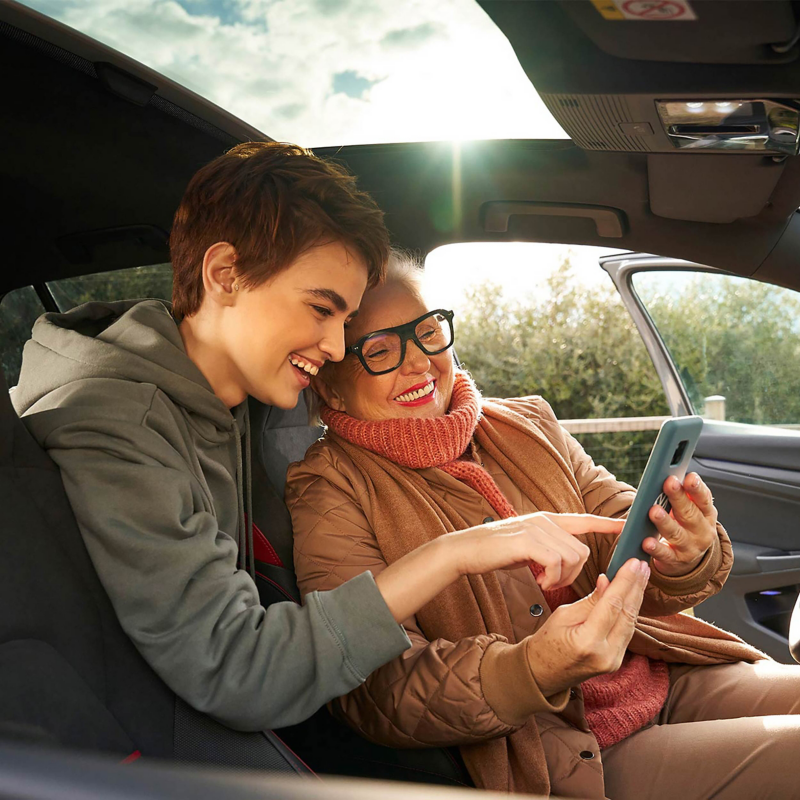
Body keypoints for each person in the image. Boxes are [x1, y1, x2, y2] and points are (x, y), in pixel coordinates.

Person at [10, 142, 624, 733]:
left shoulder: (225, 400)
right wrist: (454, 552)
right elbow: (236, 670)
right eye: (319, 309)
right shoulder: (119, 424)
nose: (335, 349)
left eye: (344, 319)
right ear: (225, 275)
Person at [287, 250, 800, 799]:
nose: (418, 362)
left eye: (428, 332)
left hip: (662, 673)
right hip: (561, 745)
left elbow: (615, 518)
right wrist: (534, 667)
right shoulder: (329, 487)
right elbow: (377, 689)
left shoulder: (528, 423)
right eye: (380, 351)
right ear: (330, 385)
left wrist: (683, 549)